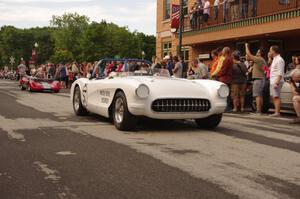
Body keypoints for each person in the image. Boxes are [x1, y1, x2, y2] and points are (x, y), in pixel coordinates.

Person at [245, 43, 267, 114]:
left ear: (260, 53)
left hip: (258, 79)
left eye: (257, 52)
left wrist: (246, 46)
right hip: (261, 78)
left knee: (257, 95)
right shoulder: (263, 60)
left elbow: (249, 54)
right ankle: (260, 110)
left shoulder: (259, 59)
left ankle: (258, 110)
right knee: (260, 95)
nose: (256, 53)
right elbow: (266, 70)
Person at [269, 45, 285, 117]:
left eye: (270, 50)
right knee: (274, 96)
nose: (269, 51)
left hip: (276, 80)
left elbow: (280, 72)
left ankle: (277, 112)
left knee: (276, 96)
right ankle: (276, 111)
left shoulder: (279, 60)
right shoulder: (275, 59)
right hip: (273, 80)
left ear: (274, 51)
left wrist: (277, 82)